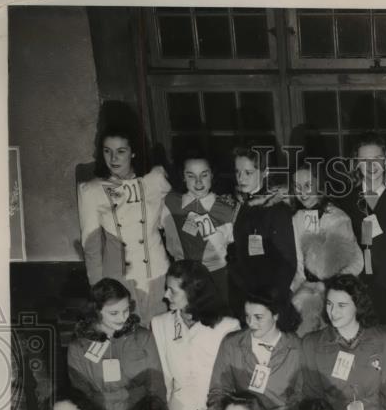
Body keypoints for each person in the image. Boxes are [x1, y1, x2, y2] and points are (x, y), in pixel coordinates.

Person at [77, 122, 172, 324]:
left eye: (121, 151)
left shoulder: (155, 180)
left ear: (133, 152)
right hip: (120, 279)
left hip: (159, 272)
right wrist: (100, 291)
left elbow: (171, 222)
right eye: (107, 151)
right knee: (129, 339)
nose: (113, 158)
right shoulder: (92, 190)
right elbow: (91, 246)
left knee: (161, 336)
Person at [150, 260, 240, 410]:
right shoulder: (160, 324)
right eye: (166, 288)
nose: (166, 295)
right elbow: (164, 379)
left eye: (173, 291)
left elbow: (232, 381)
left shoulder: (227, 327)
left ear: (192, 293)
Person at [302, 274, 386, 410]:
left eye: (341, 305)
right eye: (329, 304)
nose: (333, 312)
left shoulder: (383, 340)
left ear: (358, 306)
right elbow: (313, 398)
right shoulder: (312, 344)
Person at [204, 288, 305, 410]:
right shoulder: (231, 343)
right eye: (247, 316)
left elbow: (301, 397)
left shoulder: (297, 347)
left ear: (276, 315)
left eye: (258, 317)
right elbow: (219, 391)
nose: (251, 323)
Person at [67, 278, 164, 410]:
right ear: (96, 311)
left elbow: (156, 387)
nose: (122, 317)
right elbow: (81, 395)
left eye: (126, 310)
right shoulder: (78, 347)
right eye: (114, 313)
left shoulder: (143, 337)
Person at [289, 160, 364, 336]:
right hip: (306, 293)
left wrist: (325, 289)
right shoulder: (297, 217)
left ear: (320, 184)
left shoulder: (337, 218)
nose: (302, 193)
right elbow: (299, 263)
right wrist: (295, 290)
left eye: (308, 185)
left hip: (336, 292)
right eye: (297, 186)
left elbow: (350, 265)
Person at [346, 133, 386, 325]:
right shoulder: (347, 202)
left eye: (377, 159)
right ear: (356, 163)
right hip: (358, 292)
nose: (371, 165)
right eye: (364, 160)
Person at [226, 145, 297, 320]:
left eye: (248, 173)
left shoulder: (277, 210)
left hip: (267, 303)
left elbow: (287, 263)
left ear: (265, 172)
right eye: (237, 172)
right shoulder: (241, 204)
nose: (241, 178)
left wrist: (269, 305)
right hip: (243, 295)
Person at [160, 150, 237, 306]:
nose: (198, 182)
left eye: (204, 174)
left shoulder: (226, 208)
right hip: (181, 279)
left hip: (217, 278)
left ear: (212, 175)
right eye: (191, 176)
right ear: (182, 176)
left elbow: (231, 242)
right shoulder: (170, 203)